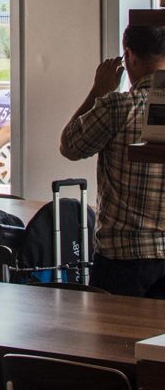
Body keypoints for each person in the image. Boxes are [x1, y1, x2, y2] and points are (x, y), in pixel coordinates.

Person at [60, 23, 165, 297]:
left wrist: (99, 89)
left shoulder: (118, 107)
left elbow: (69, 145)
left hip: (122, 257)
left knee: (111, 339)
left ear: (129, 55)